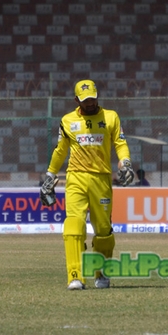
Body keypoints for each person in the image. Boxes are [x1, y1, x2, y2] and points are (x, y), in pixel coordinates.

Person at [40, 80, 134, 290]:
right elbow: (60, 150)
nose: (90, 103)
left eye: (92, 99)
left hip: (101, 178)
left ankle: (101, 274)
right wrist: (49, 175)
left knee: (103, 230)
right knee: (74, 224)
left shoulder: (111, 117)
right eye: (85, 100)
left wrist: (125, 163)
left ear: (97, 96)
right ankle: (75, 276)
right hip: (76, 178)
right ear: (76, 100)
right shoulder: (67, 120)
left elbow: (120, 143)